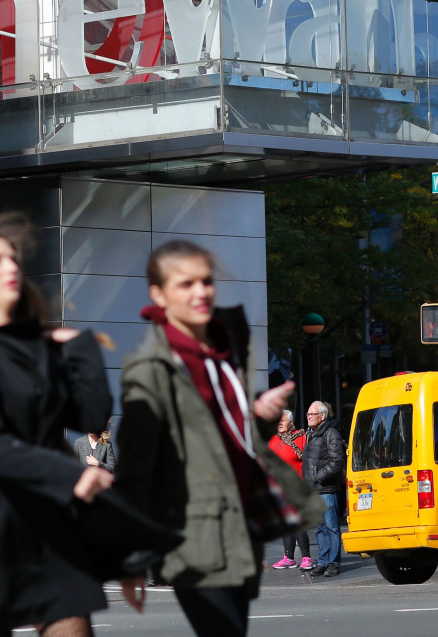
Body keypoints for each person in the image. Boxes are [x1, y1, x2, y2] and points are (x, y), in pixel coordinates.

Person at [115, 240, 323, 637]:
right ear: (159, 294)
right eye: (186, 283)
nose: (201, 291)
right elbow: (137, 464)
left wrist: (260, 416)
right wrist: (129, 558)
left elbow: (229, 435)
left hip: (238, 521)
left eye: (206, 281)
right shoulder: (154, 367)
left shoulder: (216, 356)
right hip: (193, 530)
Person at [0, 212, 114, 637]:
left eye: (14, 259)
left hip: (52, 524)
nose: (11, 267)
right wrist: (72, 473)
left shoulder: (39, 352)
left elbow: (92, 417)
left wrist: (82, 350)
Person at [303, 400, 346, 578]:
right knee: (320, 529)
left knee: (332, 527)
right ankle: (322, 562)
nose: (309, 417)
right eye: (308, 414)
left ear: (322, 416)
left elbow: (337, 461)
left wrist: (317, 477)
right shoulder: (310, 434)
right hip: (313, 490)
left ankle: (333, 563)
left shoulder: (331, 433)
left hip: (326, 489)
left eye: (312, 414)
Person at [267, 410, 312, 571]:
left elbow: (309, 461)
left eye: (283, 421)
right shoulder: (274, 440)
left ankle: (306, 557)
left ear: (291, 423)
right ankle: (289, 558)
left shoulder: (301, 438)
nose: (279, 423)